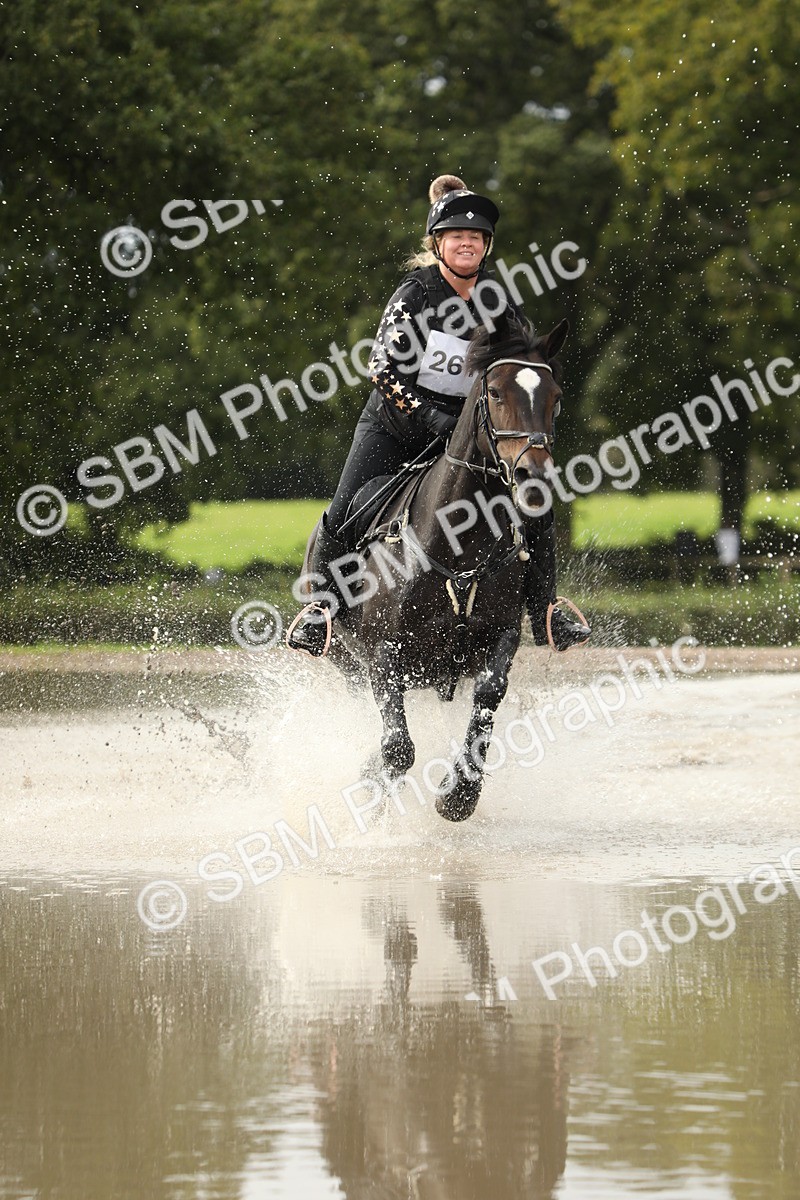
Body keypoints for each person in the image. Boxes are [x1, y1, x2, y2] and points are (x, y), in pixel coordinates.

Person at [287, 174, 591, 656]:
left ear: (486, 246)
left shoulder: (499, 302)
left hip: (469, 433)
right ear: (438, 244)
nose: (467, 243)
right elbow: (382, 369)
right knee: (348, 508)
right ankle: (320, 612)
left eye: (476, 237)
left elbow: (517, 369)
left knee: (536, 502)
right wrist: (431, 419)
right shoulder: (415, 294)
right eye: (457, 236)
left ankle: (546, 612)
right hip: (397, 424)